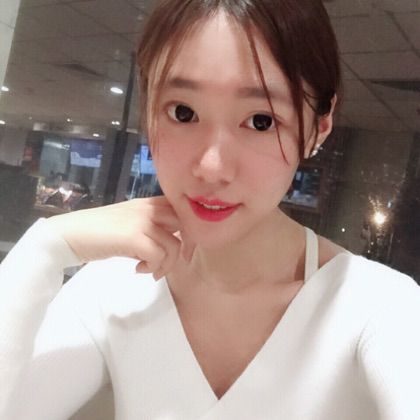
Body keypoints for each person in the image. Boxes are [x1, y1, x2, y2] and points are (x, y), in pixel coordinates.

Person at [1, 0, 420, 419]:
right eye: (183, 112)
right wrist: (46, 248)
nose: (212, 167)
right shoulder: (116, 287)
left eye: (261, 121)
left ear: (318, 128)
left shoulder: (375, 308)